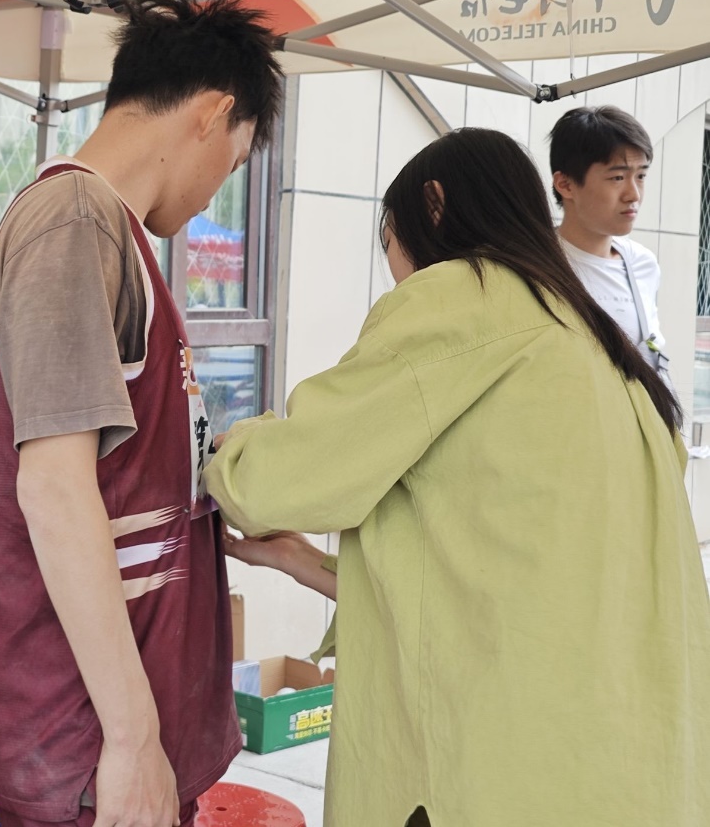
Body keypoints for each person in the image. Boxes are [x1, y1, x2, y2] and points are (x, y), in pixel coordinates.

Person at [205, 128, 710, 827]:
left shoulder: (465, 299)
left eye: (390, 243)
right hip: (627, 770)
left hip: (495, 770)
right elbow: (505, 584)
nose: (395, 274)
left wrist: (224, 446)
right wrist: (305, 563)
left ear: (434, 206)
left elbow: (272, 483)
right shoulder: (598, 343)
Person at [0, 0, 283, 827]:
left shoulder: (109, 231)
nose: (214, 196)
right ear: (212, 114)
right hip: (87, 744)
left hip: (110, 735)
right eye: (233, 164)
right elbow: (53, 486)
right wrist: (134, 738)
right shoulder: (73, 221)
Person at [550, 105, 666, 372]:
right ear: (565, 184)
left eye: (641, 176)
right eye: (617, 177)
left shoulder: (642, 263)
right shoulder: (537, 264)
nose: (633, 194)